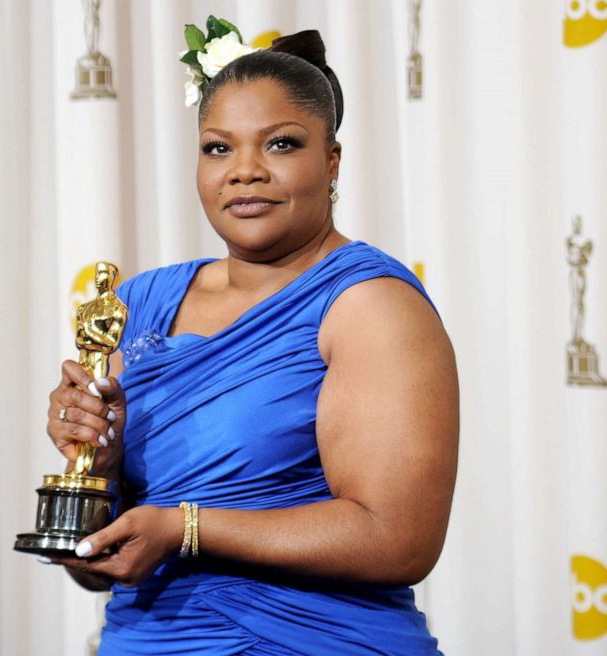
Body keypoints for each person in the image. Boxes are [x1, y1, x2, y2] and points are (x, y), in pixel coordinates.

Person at [43, 28, 459, 655]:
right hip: (145, 640)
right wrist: (96, 470)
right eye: (218, 148)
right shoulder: (141, 301)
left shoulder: (369, 305)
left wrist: (185, 528)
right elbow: (97, 560)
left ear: (333, 161)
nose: (244, 171)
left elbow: (398, 538)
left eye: (281, 144)